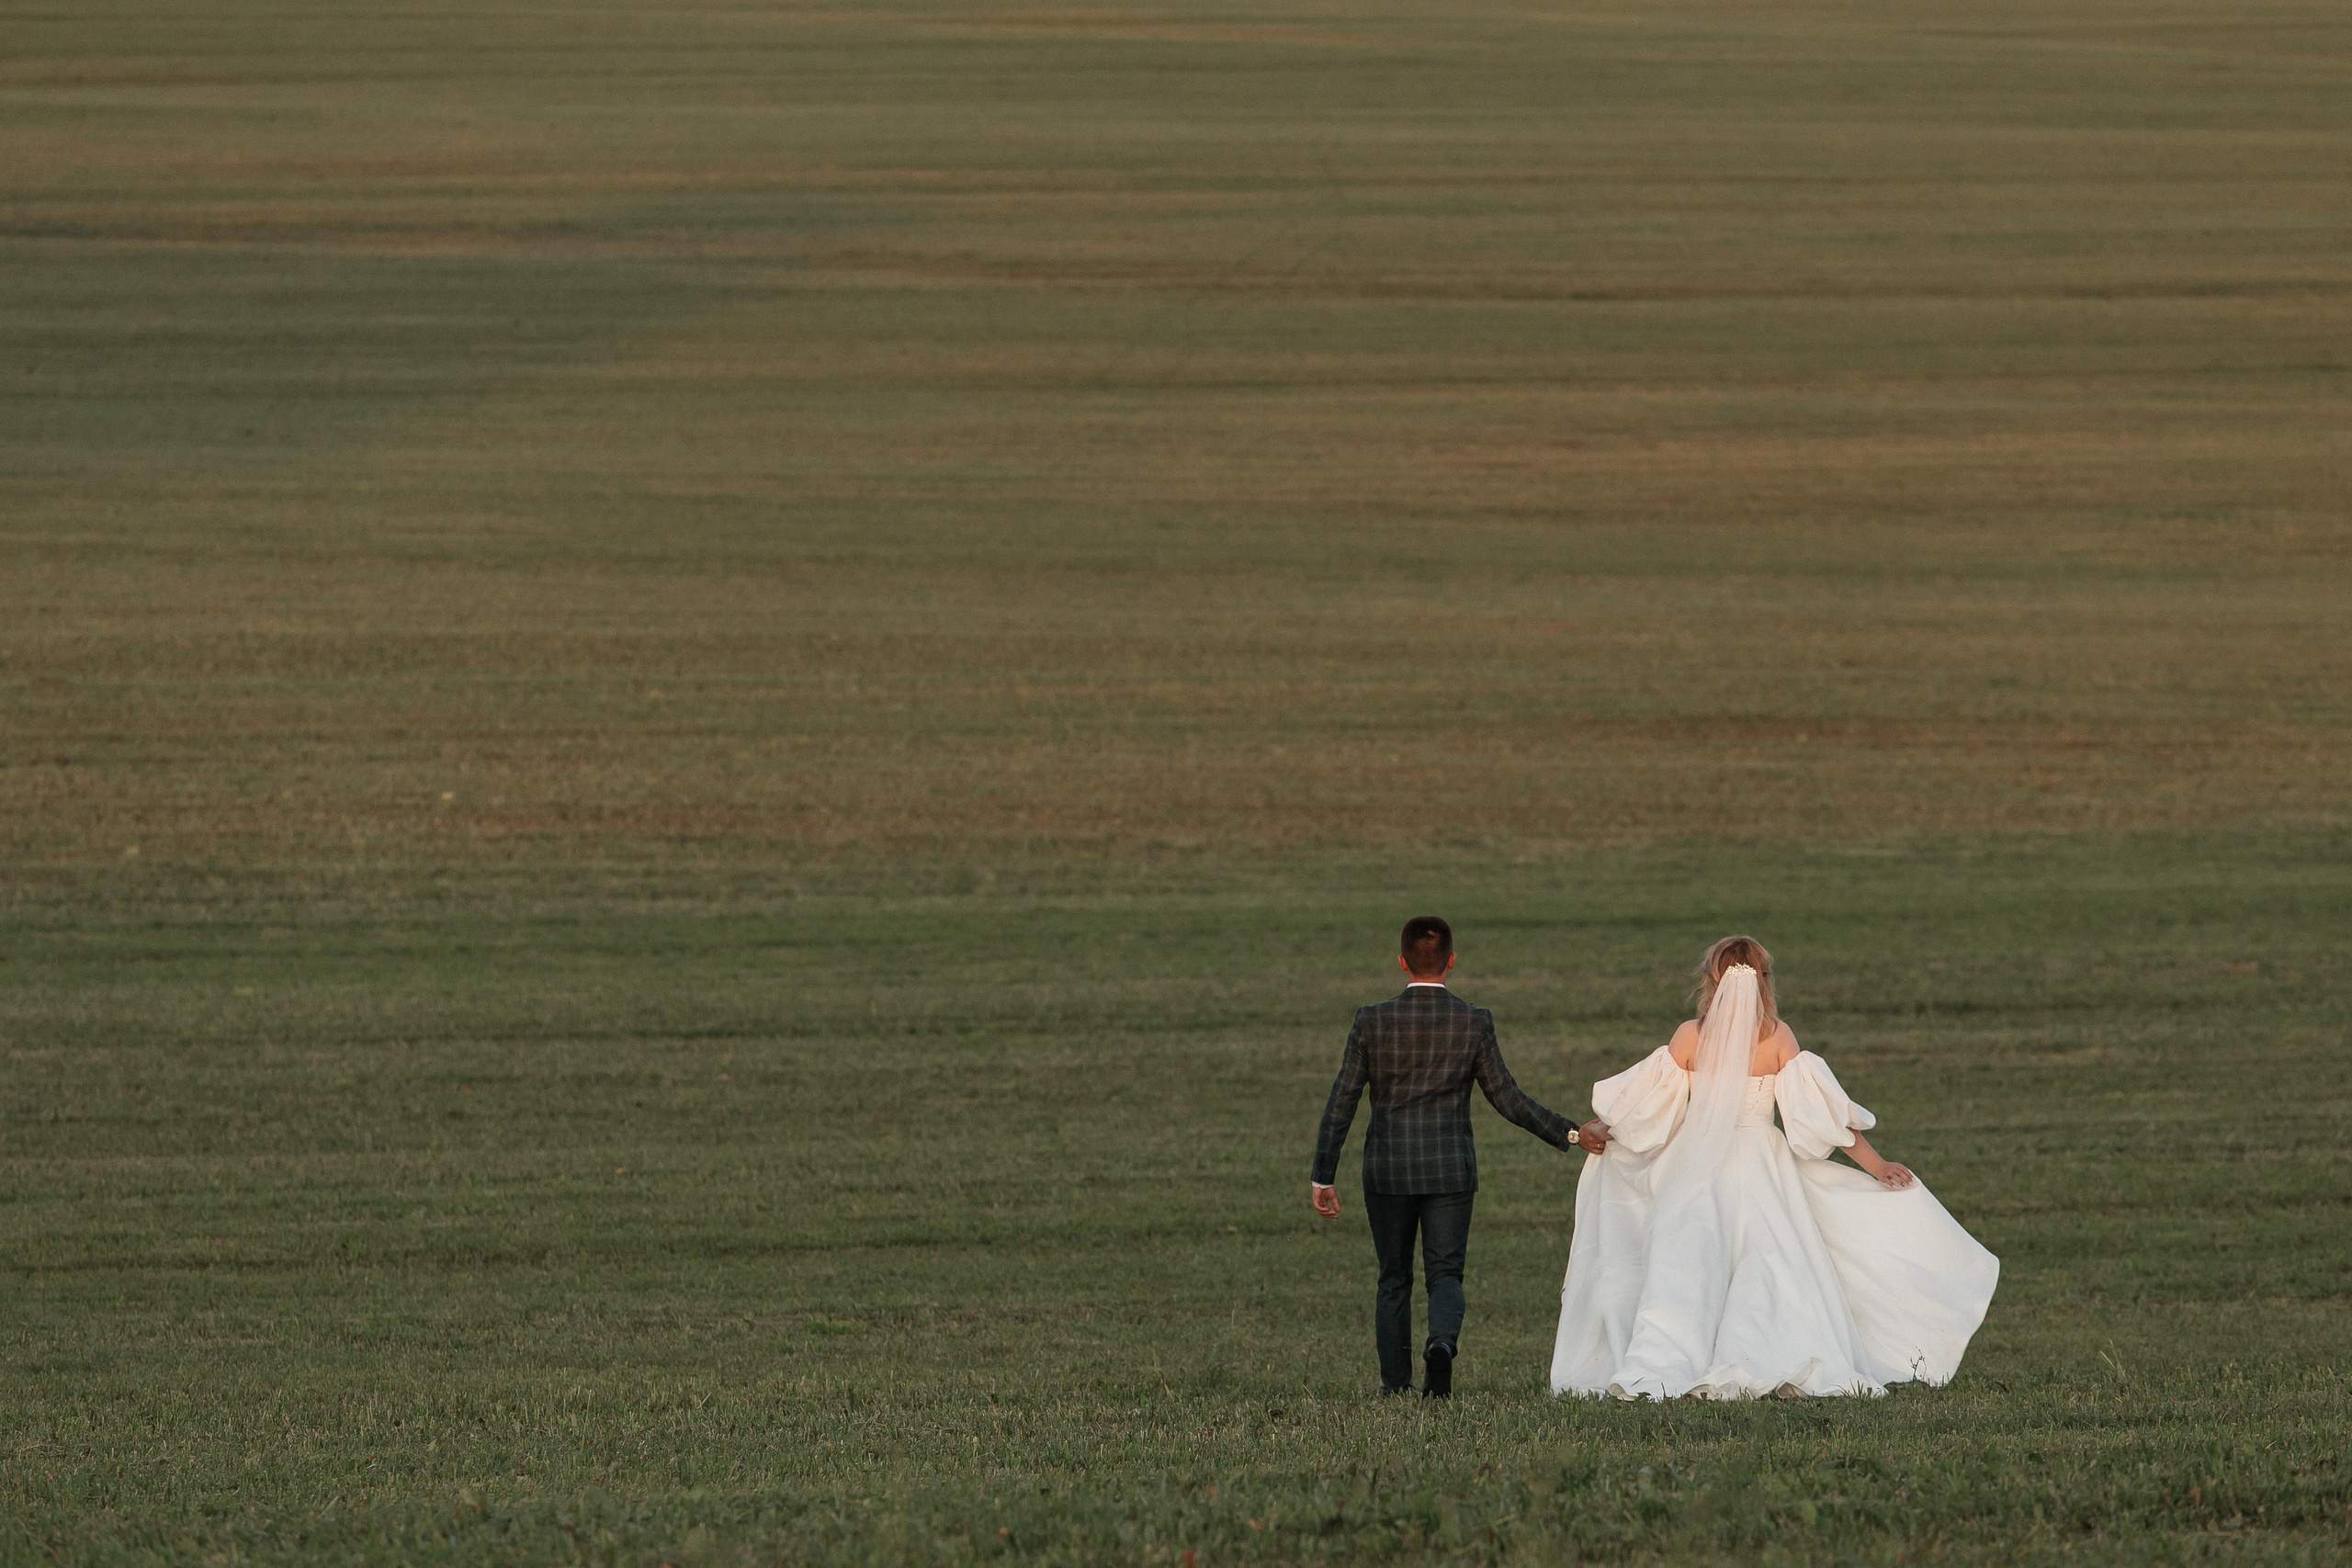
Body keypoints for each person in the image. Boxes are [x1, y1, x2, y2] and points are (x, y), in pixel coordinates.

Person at [1551, 936, 1999, 1399]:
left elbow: (1644, 1105)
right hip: (1761, 1163)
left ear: (1711, 982)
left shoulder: (1691, 1036)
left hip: (1696, 1162)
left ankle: (1672, 1355)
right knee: (1769, 1258)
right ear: (1764, 981)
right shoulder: (1777, 1038)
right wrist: (1876, 1164)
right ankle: (1766, 1349)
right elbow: (1820, 1114)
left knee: (1690, 1258)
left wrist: (1599, 1127)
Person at [1311, 916, 1608, 1397]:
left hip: (1387, 1171)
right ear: (1451, 962)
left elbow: (1341, 1100)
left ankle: (1396, 1387)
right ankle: (1442, 1343)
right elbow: (1508, 1099)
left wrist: (1323, 1175)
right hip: (1450, 1171)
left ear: (1402, 962)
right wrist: (1572, 1132)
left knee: (1393, 1278)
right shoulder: (1473, 1021)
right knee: (1446, 1273)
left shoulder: (1371, 1020)